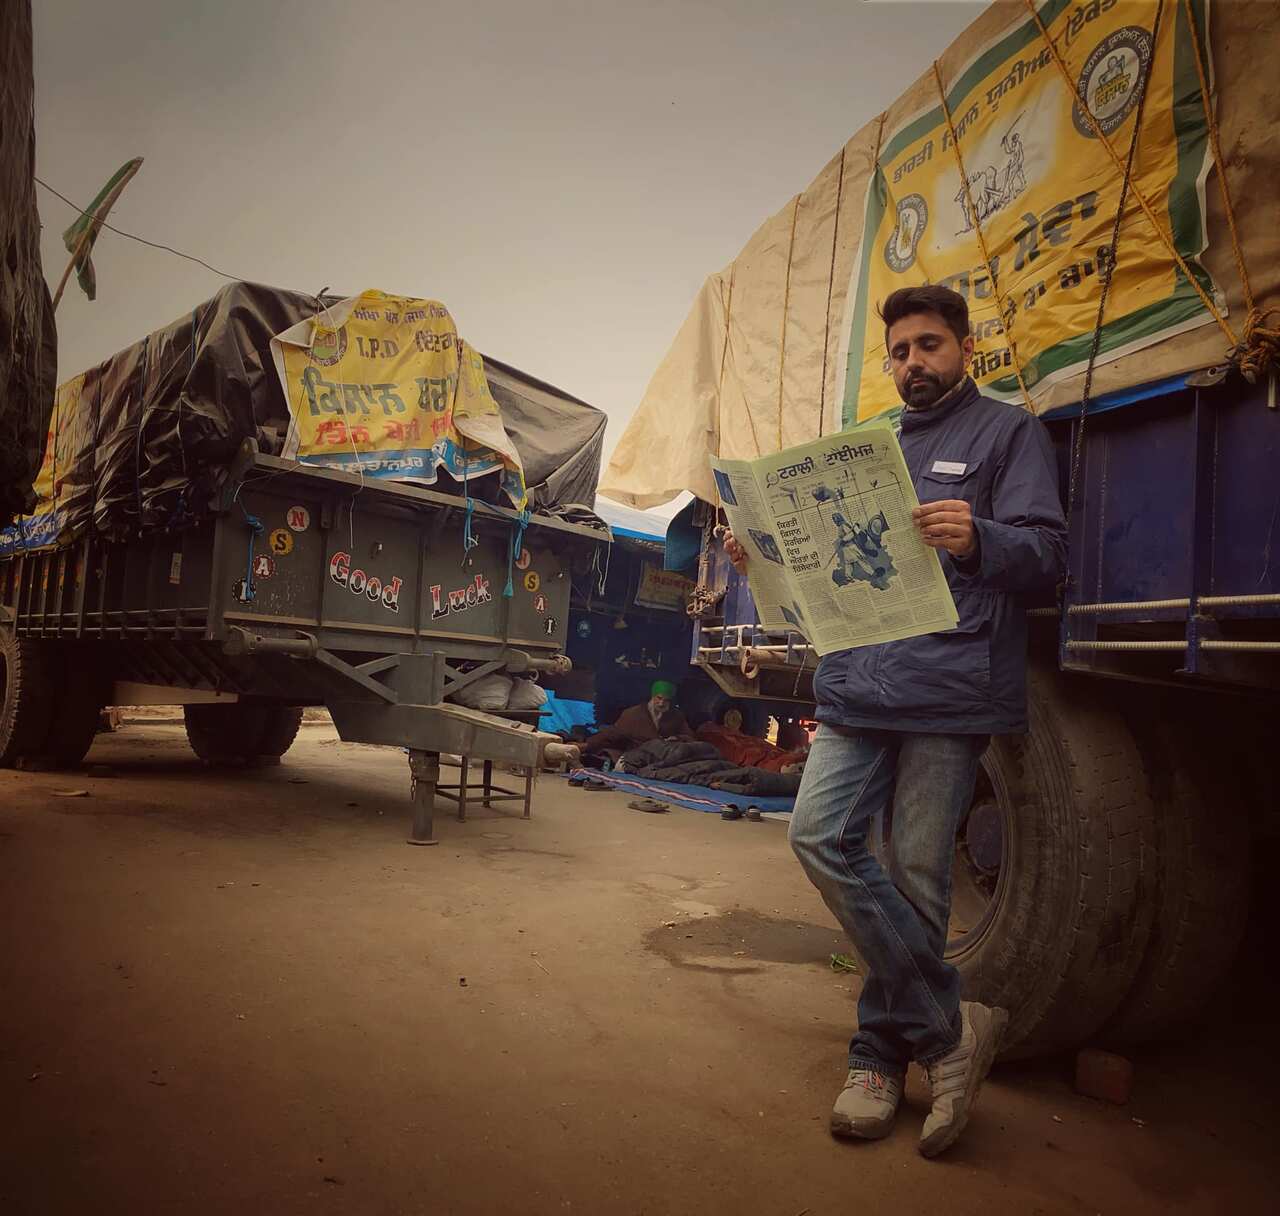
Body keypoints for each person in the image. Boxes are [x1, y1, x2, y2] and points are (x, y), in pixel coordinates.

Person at [724, 284, 1066, 1157]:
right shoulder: (863, 453)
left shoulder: (1008, 434)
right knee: (817, 836)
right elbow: (823, 577)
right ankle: (951, 1033)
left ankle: (876, 1058)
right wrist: (761, 552)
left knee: (918, 879)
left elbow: (1048, 555)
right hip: (857, 683)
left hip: (949, 689)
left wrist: (981, 535)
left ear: (964, 349)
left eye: (929, 346)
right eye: (901, 351)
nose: (913, 362)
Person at [581, 679, 693, 759]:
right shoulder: (633, 714)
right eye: (659, 698)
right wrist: (586, 745)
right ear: (652, 696)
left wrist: (676, 738)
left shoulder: (676, 716)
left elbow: (689, 737)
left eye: (666, 700)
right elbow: (613, 734)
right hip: (639, 757)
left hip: (667, 756)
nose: (661, 703)